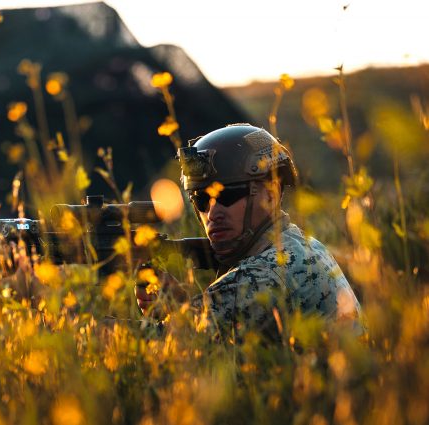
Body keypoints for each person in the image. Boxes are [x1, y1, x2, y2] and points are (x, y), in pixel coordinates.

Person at [135, 123, 362, 339]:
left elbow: (160, 343)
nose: (213, 213)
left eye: (227, 196)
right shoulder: (301, 243)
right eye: (201, 199)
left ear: (270, 194)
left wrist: (174, 308)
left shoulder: (265, 275)